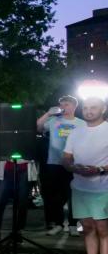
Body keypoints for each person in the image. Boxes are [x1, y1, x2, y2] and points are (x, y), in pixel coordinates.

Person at [63, 97, 108, 254]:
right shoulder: (76, 131)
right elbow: (65, 159)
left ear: (103, 109)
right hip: (79, 187)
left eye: (94, 107)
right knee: (88, 228)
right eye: (87, 108)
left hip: (103, 188)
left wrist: (99, 170)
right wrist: (74, 167)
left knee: (103, 230)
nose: (89, 111)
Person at [37, 95, 85, 236]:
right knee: (55, 195)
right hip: (54, 163)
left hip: (74, 164)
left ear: (74, 106)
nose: (64, 107)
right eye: (62, 104)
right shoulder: (53, 121)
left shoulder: (81, 123)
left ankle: (72, 224)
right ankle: (57, 224)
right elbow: (38, 127)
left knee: (73, 195)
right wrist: (48, 113)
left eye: (67, 104)